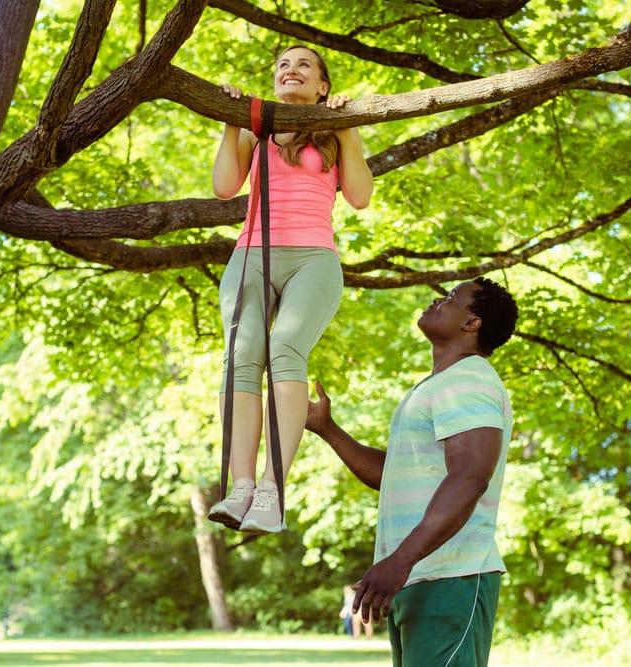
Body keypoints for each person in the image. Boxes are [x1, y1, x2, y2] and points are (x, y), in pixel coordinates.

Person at [306, 277, 518, 666]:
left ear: (472, 323)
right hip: (417, 575)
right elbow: (392, 474)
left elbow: (470, 478)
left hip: (450, 575)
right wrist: (327, 429)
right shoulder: (436, 386)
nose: (439, 298)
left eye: (453, 298)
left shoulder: (469, 380)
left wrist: (400, 560)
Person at [208, 45, 374, 534]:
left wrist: (347, 126)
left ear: (323, 86)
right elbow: (223, 186)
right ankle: (240, 488)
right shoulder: (258, 130)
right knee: (242, 354)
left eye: (304, 65)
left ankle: (271, 491)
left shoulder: (334, 132)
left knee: (284, 348)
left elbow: (361, 197)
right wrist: (231, 121)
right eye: (282, 64)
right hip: (251, 254)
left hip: (313, 259)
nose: (290, 70)